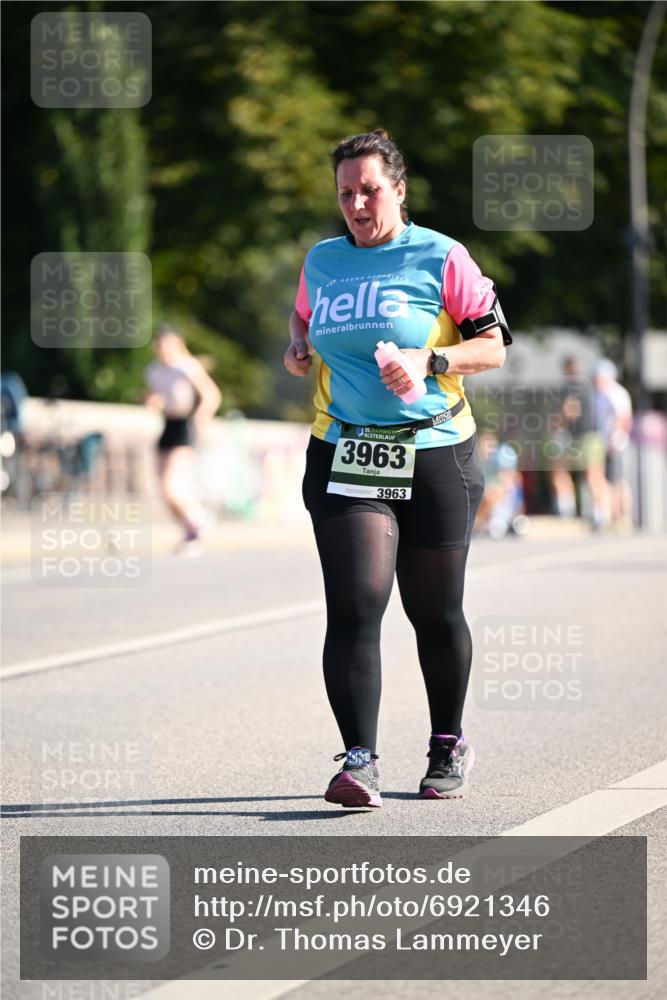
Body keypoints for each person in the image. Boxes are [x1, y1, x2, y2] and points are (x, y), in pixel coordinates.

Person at [284, 129, 511, 807]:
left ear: (399, 190)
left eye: (370, 190)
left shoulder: (440, 257)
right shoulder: (321, 261)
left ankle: (447, 743)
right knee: (354, 605)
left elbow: (493, 346)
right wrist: (298, 347)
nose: (357, 203)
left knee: (433, 612)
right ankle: (358, 761)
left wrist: (429, 362)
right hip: (345, 451)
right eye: (346, 192)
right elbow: (303, 322)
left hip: (434, 448)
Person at [145, 326, 222, 554]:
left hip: (185, 425)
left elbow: (211, 395)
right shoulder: (154, 371)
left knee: (171, 485)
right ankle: (190, 527)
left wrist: (201, 417)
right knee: (162, 487)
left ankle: (198, 523)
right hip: (168, 424)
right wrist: (153, 401)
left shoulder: (187, 367)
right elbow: (160, 397)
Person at [593, 359, 633, 530]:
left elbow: (623, 417)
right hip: (602, 442)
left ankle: (623, 516)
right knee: (606, 480)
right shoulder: (598, 394)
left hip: (616, 443)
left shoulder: (617, 393)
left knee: (619, 481)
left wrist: (617, 437)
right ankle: (611, 516)